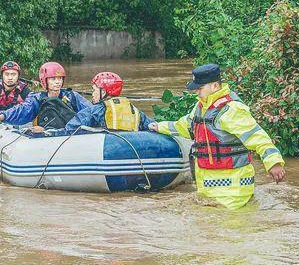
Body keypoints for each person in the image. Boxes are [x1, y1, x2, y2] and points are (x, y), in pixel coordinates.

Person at [149, 63, 286, 209]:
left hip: (234, 192)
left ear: (215, 86)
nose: (197, 92)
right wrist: (160, 126)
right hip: (209, 189)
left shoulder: (231, 109)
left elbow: (258, 137)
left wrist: (274, 163)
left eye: (200, 88)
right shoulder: (201, 107)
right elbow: (184, 125)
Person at [0, 61, 91, 129]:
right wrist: (0, 117)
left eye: (60, 78)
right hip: (45, 134)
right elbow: (21, 109)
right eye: (53, 79)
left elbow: (90, 110)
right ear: (45, 81)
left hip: (69, 133)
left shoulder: (72, 96)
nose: (57, 82)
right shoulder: (37, 98)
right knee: (36, 129)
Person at [44, 72, 155, 136]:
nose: (92, 94)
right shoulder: (133, 109)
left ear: (103, 92)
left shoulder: (96, 110)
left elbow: (70, 129)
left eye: (94, 90)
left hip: (105, 150)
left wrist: (46, 132)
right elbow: (152, 126)